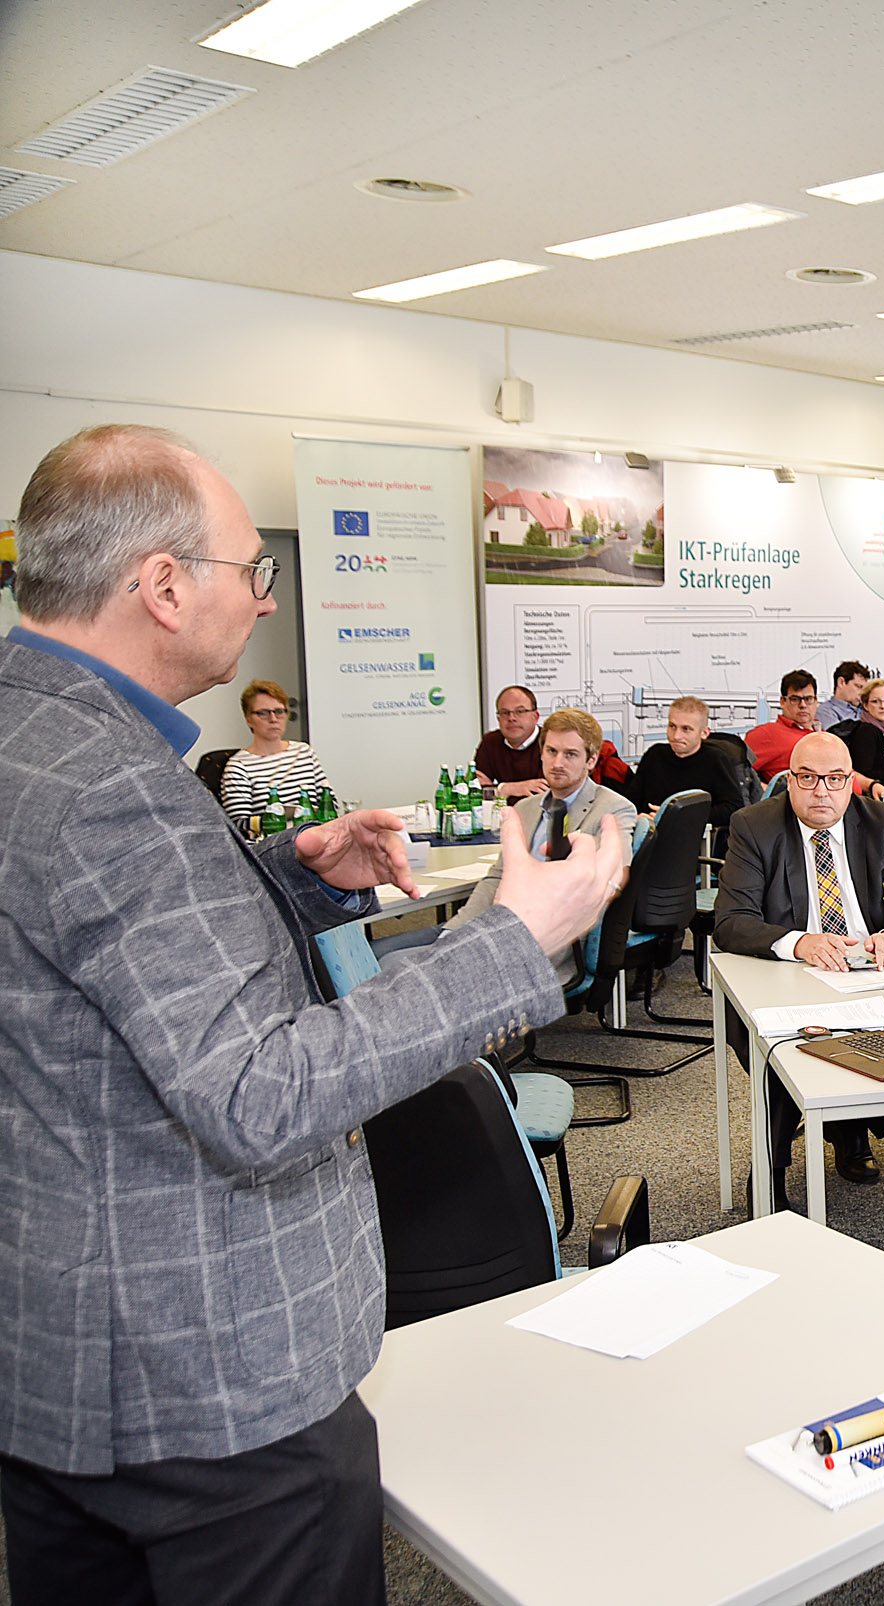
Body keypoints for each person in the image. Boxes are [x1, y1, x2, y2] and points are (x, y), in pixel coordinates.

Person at [0, 424, 620, 1604]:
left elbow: (87, 973)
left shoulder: (35, 732)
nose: (266, 598)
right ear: (164, 586)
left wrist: (281, 874)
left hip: (59, 1363)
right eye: (253, 569)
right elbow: (261, 1093)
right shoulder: (117, 785)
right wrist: (511, 938)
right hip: (210, 1387)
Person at [713, 731, 884, 1191]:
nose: (821, 791)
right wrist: (799, 943)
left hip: (869, 977)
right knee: (781, 1049)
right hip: (785, 976)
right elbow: (730, 922)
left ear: (851, 782)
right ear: (789, 781)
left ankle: (850, 1130)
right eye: (808, 778)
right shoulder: (754, 826)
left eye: (834, 779)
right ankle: (770, 1171)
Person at [457, 707, 640, 986]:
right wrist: (456, 932)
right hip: (499, 928)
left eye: (570, 754)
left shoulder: (613, 808)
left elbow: (609, 878)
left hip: (552, 942)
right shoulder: (525, 808)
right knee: (396, 958)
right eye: (551, 751)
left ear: (591, 760)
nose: (557, 763)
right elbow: (497, 877)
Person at [218, 676, 331, 827]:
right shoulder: (238, 766)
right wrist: (279, 820)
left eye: (279, 711)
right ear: (249, 719)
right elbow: (238, 824)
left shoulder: (304, 752)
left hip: (314, 833)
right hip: (271, 838)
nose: (273, 719)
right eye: (263, 713)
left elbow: (330, 804)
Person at [633, 694, 748, 836]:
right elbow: (633, 800)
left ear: (704, 733)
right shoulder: (654, 755)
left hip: (693, 838)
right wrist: (638, 817)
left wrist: (679, 817)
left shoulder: (715, 760)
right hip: (649, 835)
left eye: (686, 729)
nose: (676, 736)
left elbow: (733, 808)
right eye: (672, 726)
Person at [474, 684, 549, 800]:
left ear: (535, 716)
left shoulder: (550, 742)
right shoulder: (490, 742)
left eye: (519, 711)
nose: (511, 718)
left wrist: (496, 790)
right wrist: (507, 789)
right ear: (498, 719)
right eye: (505, 712)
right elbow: (475, 792)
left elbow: (546, 795)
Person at [744, 668, 819, 784]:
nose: (803, 705)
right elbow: (737, 772)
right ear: (782, 701)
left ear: (816, 701)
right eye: (795, 699)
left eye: (808, 699)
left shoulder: (823, 733)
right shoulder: (766, 734)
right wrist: (762, 790)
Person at [822, 659, 873, 726]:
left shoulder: (867, 708)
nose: (862, 693)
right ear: (841, 682)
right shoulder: (825, 712)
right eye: (858, 686)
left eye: (864, 689)